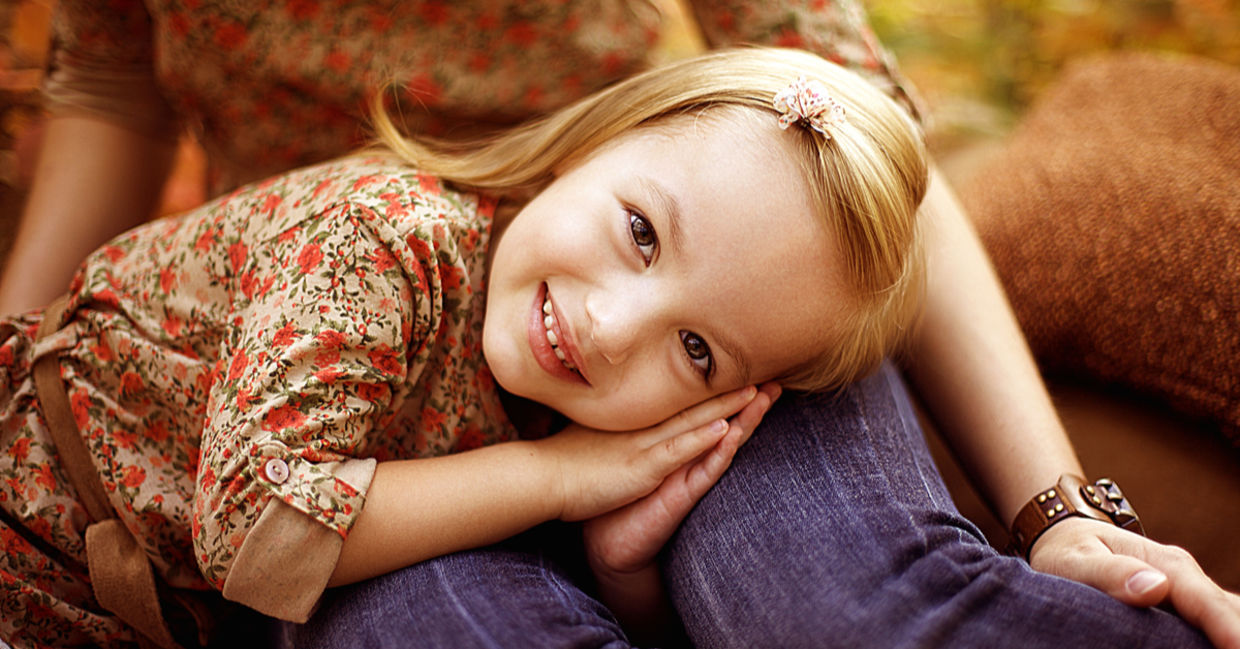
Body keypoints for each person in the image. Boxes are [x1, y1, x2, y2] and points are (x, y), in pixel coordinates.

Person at [3, 2, 1237, 648]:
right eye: (635, 248)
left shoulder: (679, 304)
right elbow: (265, 523)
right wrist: (562, 474)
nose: (612, 323)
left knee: (840, 606)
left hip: (746, 237)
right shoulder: (375, 242)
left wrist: (1059, 516)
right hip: (364, 371)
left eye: (691, 352)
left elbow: (862, 137)